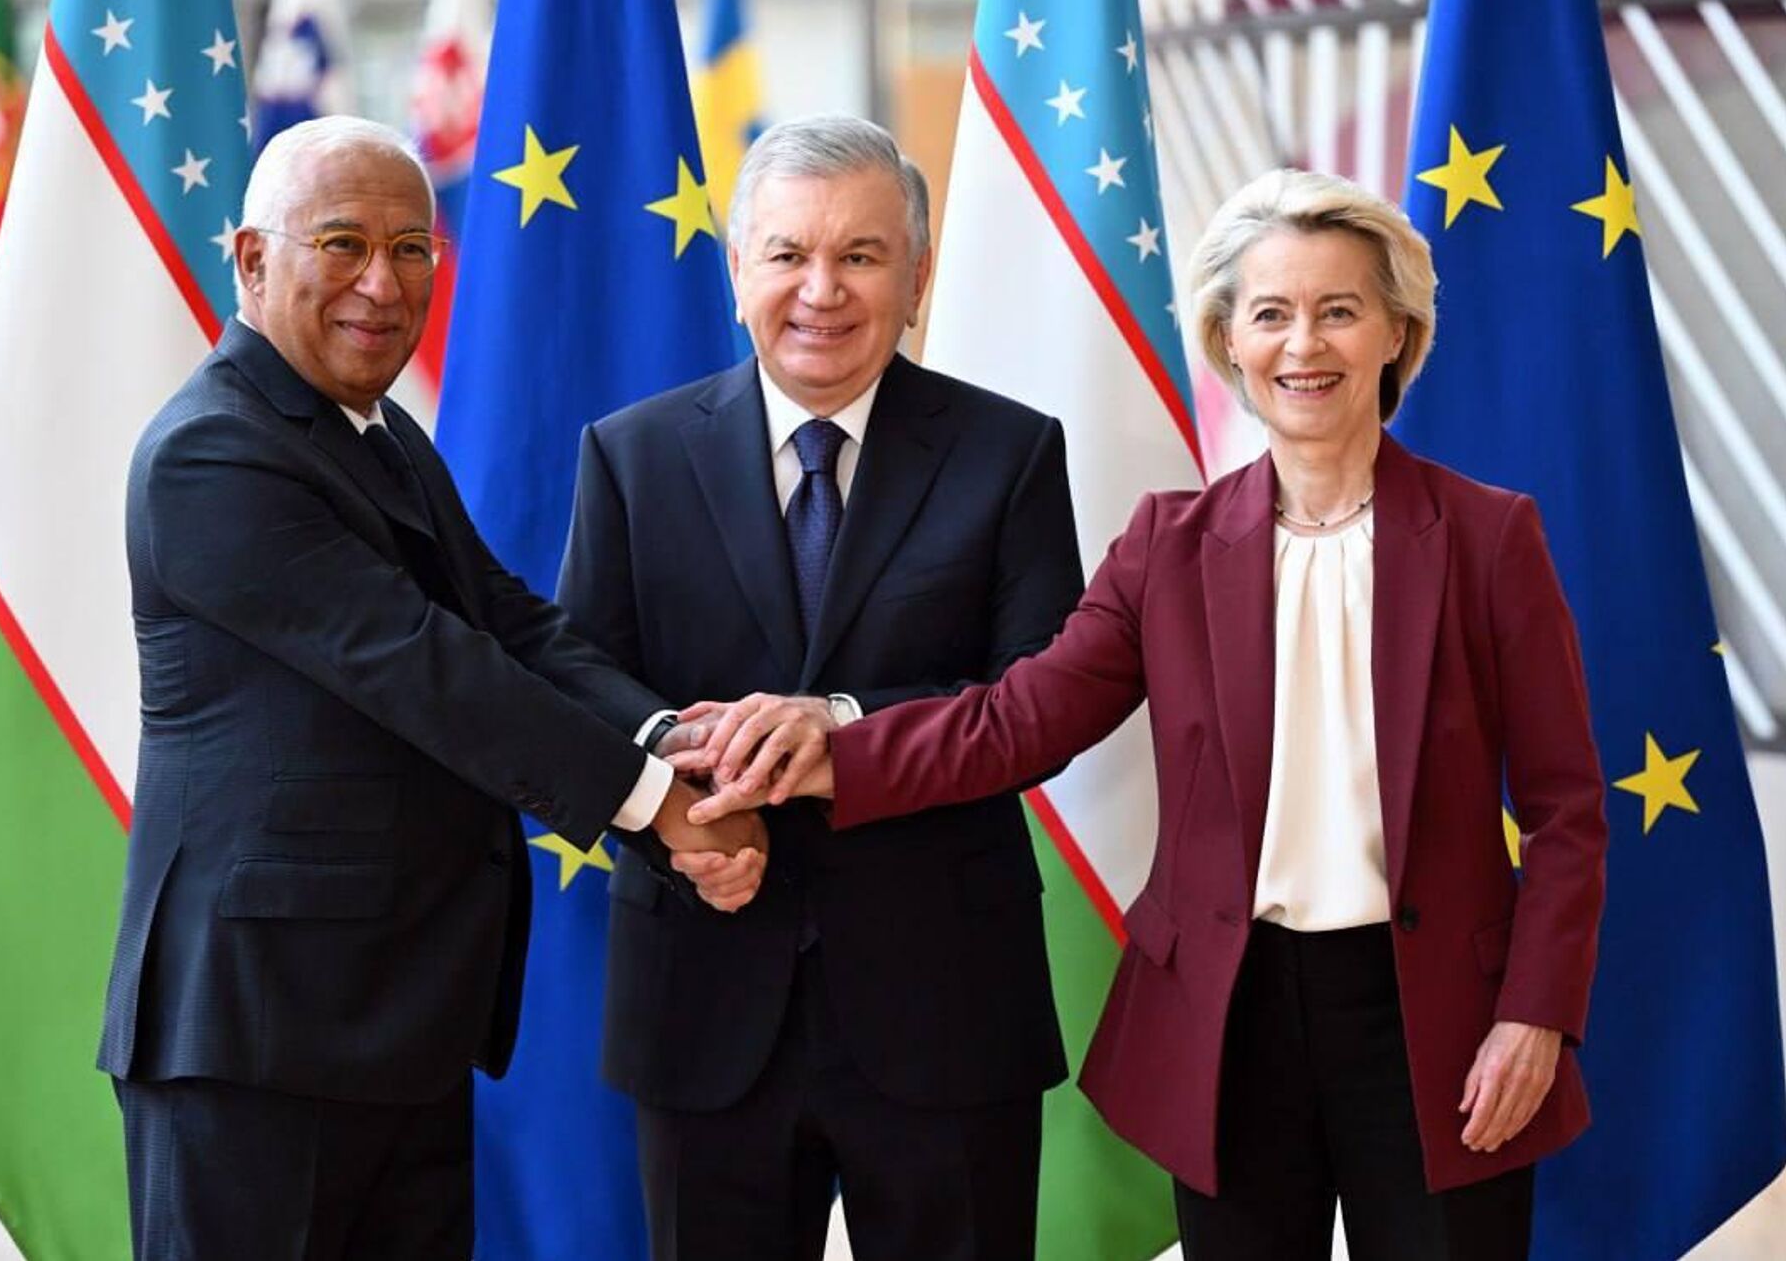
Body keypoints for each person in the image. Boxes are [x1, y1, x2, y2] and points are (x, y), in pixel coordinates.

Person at [689, 168, 1609, 1261]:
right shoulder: (1168, 546)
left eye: (1338, 311)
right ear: (1228, 342)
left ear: (1396, 335)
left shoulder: (1490, 538)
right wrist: (827, 750)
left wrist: (1535, 1013)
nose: (1303, 344)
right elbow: (1018, 720)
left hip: (1438, 1021)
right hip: (1228, 1023)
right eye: (1269, 314)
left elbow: (1567, 811)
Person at [96, 116, 763, 1261]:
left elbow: (509, 622)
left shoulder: (380, 434)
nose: (383, 281)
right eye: (343, 243)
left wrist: (671, 736)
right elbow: (424, 667)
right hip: (255, 1041)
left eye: (412, 249)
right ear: (252, 260)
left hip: (393, 1022)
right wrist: (660, 807)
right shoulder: (213, 451)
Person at [554, 115, 1085, 1261]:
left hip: (947, 1003)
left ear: (918, 277)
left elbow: (1039, 702)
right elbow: (580, 679)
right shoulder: (631, 455)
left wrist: (841, 729)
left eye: (861, 255)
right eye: (788, 253)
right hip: (702, 993)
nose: (821, 289)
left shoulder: (1010, 453)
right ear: (737, 268)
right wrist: (679, 779)